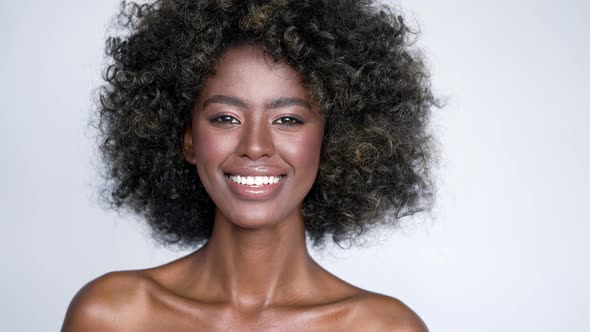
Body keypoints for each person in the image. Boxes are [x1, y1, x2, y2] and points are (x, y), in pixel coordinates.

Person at [62, 0, 436, 330]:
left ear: (334, 141)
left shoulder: (383, 328)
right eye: (225, 118)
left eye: (288, 119)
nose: (255, 147)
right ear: (188, 139)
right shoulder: (113, 317)